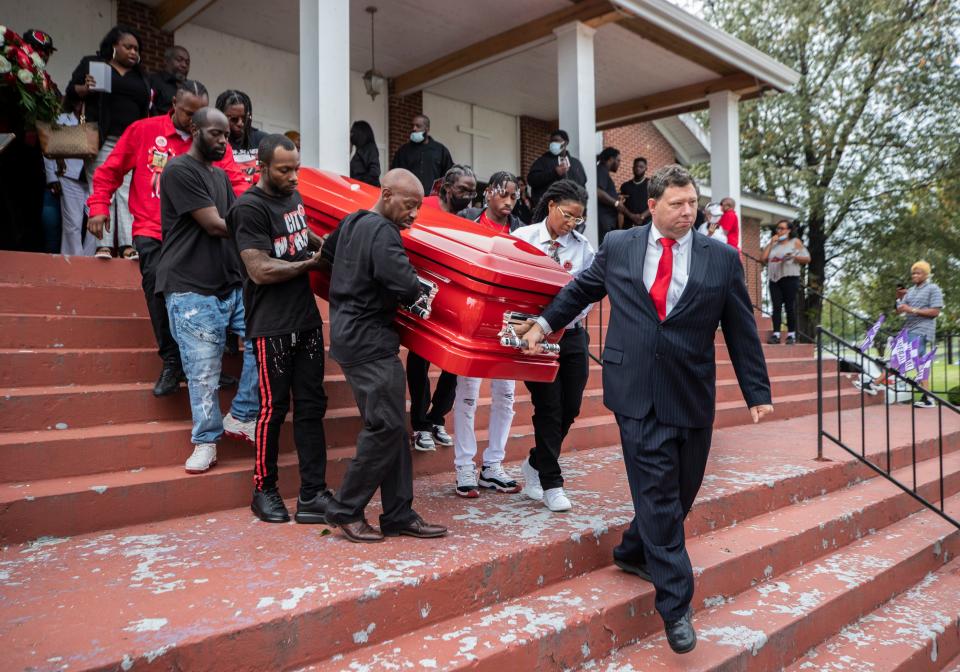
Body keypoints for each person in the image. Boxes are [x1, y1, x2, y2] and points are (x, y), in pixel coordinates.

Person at [519, 164, 773, 654]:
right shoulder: (619, 247)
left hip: (690, 391)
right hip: (634, 389)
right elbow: (579, 291)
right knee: (658, 492)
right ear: (652, 206)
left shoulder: (720, 259)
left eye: (693, 203)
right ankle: (675, 605)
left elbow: (740, 327)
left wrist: (756, 392)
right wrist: (543, 325)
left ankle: (633, 549)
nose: (687, 212)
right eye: (677, 204)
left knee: (681, 491)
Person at [87, 80, 248, 397]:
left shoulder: (215, 140)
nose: (193, 121)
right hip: (153, 230)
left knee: (212, 295)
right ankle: (173, 362)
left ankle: (206, 365)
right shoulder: (143, 131)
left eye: (200, 114)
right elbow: (109, 171)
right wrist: (98, 206)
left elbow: (237, 183)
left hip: (200, 235)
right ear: (173, 103)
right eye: (188, 113)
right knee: (158, 290)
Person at [320, 168, 447, 543]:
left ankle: (398, 513)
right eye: (409, 206)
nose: (414, 215)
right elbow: (407, 286)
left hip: (352, 335)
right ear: (387, 194)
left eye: (418, 208)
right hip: (369, 342)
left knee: (393, 427)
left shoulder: (353, 220)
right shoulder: (384, 233)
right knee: (386, 427)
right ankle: (345, 509)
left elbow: (326, 256)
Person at [228, 134, 332, 523]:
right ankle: (263, 490)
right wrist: (313, 264)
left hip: (304, 319)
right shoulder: (248, 208)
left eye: (297, 169)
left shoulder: (293, 195)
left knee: (312, 407)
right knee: (273, 410)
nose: (293, 177)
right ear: (262, 166)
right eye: (284, 170)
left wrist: (331, 249)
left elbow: (303, 239)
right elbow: (260, 269)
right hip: (271, 325)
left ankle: (312, 495)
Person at [156, 107, 259, 474]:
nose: (222, 140)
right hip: (189, 286)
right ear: (194, 129)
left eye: (226, 136)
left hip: (228, 282)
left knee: (266, 341)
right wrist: (263, 227)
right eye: (215, 133)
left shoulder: (218, 177)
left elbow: (233, 219)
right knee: (203, 373)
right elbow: (217, 225)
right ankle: (205, 440)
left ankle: (242, 413)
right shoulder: (179, 170)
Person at [513, 180, 594, 511]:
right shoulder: (522, 239)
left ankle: (535, 462)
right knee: (548, 406)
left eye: (578, 218)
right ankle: (551, 482)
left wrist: (560, 319)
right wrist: (530, 324)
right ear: (550, 206)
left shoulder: (583, 248)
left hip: (571, 334)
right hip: (534, 334)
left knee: (570, 407)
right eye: (568, 215)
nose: (572, 223)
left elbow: (588, 294)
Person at [451, 172, 524, 497]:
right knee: (467, 394)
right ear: (488, 194)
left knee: (505, 397)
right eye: (503, 194)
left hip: (508, 321)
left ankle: (493, 465)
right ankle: (464, 466)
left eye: (514, 196)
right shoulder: (467, 222)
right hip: (473, 318)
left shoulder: (521, 230)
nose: (509, 202)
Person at [407, 165, 478, 451]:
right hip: (422, 287)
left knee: (454, 360)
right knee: (419, 355)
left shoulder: (472, 216)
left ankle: (438, 417)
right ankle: (420, 423)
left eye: (473, 191)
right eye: (463, 190)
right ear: (447, 188)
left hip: (455, 294)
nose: (469, 196)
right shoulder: (424, 207)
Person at [69, 25, 151, 260]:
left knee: (126, 193)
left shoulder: (141, 76)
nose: (134, 52)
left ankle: (127, 245)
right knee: (103, 190)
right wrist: (86, 88)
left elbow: (146, 109)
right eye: (128, 47)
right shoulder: (96, 65)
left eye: (137, 48)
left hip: (132, 143)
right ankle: (102, 246)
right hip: (103, 139)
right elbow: (71, 93)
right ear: (114, 46)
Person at [44, 92, 95, 256]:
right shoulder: (61, 119)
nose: (83, 106)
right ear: (74, 103)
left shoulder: (98, 120)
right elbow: (49, 150)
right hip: (69, 175)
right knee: (72, 223)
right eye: (80, 102)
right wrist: (52, 178)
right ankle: (73, 262)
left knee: (96, 221)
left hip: (93, 178)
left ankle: (89, 261)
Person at [898, 261, 944, 408]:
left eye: (918, 273)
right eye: (913, 273)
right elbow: (901, 309)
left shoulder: (933, 288)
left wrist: (912, 310)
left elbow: (935, 312)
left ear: (926, 274)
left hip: (922, 329)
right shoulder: (910, 291)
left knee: (901, 359)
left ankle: (875, 383)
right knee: (920, 363)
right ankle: (928, 398)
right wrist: (899, 300)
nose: (915, 275)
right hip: (909, 329)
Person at [760, 219, 810, 344]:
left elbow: (807, 258)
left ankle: (791, 335)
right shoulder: (774, 245)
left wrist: (793, 257)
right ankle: (776, 334)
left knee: (789, 307)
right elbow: (763, 259)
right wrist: (771, 243)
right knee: (776, 307)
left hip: (790, 277)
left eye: (782, 228)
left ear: (788, 230)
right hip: (774, 279)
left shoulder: (795, 242)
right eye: (778, 228)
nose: (779, 231)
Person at [215, 89, 267, 187]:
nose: (240, 123)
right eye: (234, 119)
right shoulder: (216, 143)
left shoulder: (264, 140)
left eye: (244, 118)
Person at [390, 114, 453, 194]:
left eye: (418, 126)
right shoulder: (403, 151)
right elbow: (394, 175)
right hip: (409, 198)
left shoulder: (440, 150)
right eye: (412, 126)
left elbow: (449, 175)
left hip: (433, 199)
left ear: (427, 129)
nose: (414, 128)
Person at [527, 130, 588, 211]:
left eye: (555, 141)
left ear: (565, 143)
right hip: (548, 210)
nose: (552, 144)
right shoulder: (542, 161)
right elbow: (531, 180)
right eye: (551, 142)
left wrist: (582, 207)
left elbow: (582, 187)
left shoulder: (576, 164)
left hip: (571, 211)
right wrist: (554, 173)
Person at [596, 147, 629, 243]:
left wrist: (616, 196)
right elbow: (598, 192)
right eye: (618, 160)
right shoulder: (601, 170)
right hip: (604, 222)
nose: (619, 163)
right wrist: (616, 203)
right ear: (610, 159)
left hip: (608, 222)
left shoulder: (604, 172)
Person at [149, 46, 190, 116]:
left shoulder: (190, 87)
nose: (184, 65)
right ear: (166, 61)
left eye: (187, 62)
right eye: (179, 60)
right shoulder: (153, 81)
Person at [619, 157, 650, 227]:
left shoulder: (651, 184)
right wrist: (631, 216)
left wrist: (642, 216)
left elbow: (656, 203)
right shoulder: (625, 186)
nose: (638, 168)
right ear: (633, 168)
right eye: (636, 166)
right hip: (628, 225)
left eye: (641, 167)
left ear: (646, 168)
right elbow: (620, 206)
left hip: (646, 225)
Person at [349, 120, 381, 187]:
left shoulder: (369, 148)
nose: (350, 135)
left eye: (352, 132)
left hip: (366, 190)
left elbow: (375, 172)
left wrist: (361, 185)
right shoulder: (360, 150)